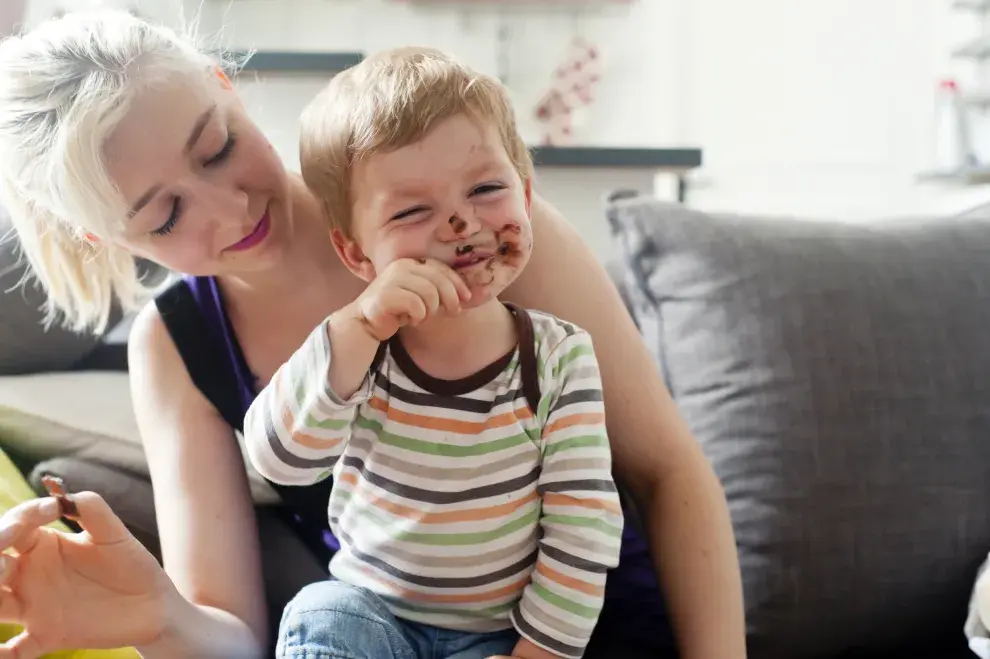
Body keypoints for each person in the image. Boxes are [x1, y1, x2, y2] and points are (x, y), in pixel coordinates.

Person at [0, 9, 746, 659]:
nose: (228, 210)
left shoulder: (476, 222)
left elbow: (668, 470)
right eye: (164, 216)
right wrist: (156, 615)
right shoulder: (174, 347)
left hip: (587, 630)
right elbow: (236, 632)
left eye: (218, 146)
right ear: (102, 238)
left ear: (227, 88)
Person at [241, 46, 623, 659]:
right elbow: (278, 462)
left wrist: (537, 653)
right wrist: (359, 328)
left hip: (500, 634)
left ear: (525, 195)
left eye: (487, 188)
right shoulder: (357, 349)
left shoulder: (557, 357)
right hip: (372, 616)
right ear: (358, 256)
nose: (459, 222)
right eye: (415, 210)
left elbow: (583, 526)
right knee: (318, 610)